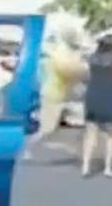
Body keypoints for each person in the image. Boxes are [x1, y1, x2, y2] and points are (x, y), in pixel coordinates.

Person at [26, 25, 88, 155]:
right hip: (54, 94)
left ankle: (74, 149)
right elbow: (68, 71)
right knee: (47, 130)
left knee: (73, 125)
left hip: (64, 94)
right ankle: (27, 148)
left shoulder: (62, 51)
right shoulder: (62, 53)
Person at [81, 34, 112, 177]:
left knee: (91, 133)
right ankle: (108, 168)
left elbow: (86, 74)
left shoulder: (92, 59)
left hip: (93, 95)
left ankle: (85, 166)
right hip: (111, 96)